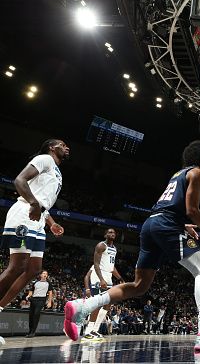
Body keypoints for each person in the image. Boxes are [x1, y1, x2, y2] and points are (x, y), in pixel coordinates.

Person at [63, 140, 200, 351]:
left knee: (139, 286)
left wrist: (182, 224)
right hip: (166, 225)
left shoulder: (177, 175)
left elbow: (172, 207)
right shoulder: (198, 173)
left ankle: (82, 306)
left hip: (151, 224)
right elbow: (192, 209)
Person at [0, 139, 68, 316]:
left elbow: (42, 200)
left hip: (39, 217)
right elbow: (19, 180)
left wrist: (51, 223)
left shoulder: (56, 170)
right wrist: (33, 203)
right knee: (17, 267)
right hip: (25, 212)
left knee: (34, 270)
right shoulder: (45, 159)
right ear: (52, 147)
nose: (67, 147)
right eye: (62, 144)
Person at [82, 228, 124, 340]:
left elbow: (112, 267)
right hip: (98, 275)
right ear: (105, 234)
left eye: (114, 233)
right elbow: (95, 263)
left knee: (107, 305)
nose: (112, 234)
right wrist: (101, 279)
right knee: (97, 304)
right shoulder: (101, 245)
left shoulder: (114, 248)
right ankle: (87, 331)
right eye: (110, 232)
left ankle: (95, 330)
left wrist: (120, 278)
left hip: (108, 276)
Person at [24, 270, 53, 337]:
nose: (45, 274)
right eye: (44, 273)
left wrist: (49, 302)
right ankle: (30, 331)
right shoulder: (35, 282)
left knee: (36, 314)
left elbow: (50, 293)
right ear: (40, 275)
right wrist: (28, 296)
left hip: (41, 299)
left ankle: (33, 332)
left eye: (46, 274)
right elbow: (31, 291)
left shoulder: (48, 283)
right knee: (31, 315)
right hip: (33, 299)